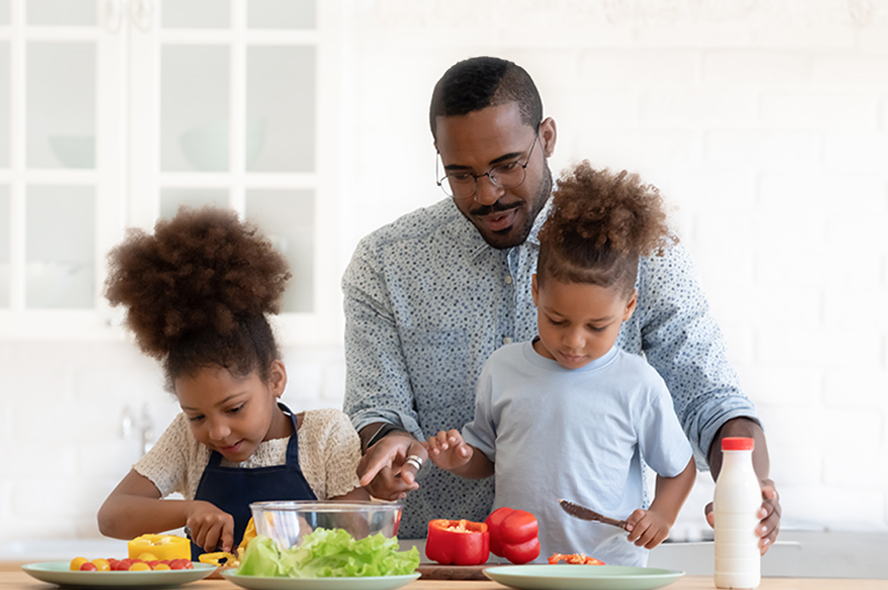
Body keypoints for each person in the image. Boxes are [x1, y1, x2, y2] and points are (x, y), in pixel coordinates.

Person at [343, 55, 781, 546]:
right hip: (435, 558)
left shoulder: (638, 251)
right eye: (461, 174)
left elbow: (709, 397)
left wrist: (750, 481)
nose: (487, 194)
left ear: (546, 137)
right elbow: (376, 406)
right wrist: (386, 443)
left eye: (508, 165)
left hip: (590, 567)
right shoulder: (386, 263)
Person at [424, 163, 696, 563]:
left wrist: (661, 514)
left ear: (629, 307)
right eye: (557, 320)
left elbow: (679, 467)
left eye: (597, 326)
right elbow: (487, 455)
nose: (574, 341)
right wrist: (460, 459)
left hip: (609, 570)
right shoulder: (502, 370)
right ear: (535, 291)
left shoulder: (637, 383)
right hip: (518, 568)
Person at [99, 206, 367, 553]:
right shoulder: (187, 440)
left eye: (234, 408)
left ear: (274, 378)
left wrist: (309, 531)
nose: (217, 431)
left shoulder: (325, 435)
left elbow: (362, 532)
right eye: (197, 415)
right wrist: (191, 509)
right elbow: (111, 516)